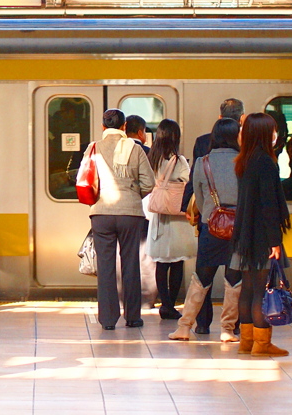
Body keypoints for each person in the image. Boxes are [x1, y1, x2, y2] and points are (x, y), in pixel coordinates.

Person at [170, 118, 242, 342]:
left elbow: (198, 200)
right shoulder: (244, 162)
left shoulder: (203, 162)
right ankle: (228, 330)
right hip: (239, 228)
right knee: (234, 280)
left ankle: (184, 327)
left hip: (211, 227)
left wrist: (211, 215)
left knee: (201, 278)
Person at [85, 109, 155, 330]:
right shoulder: (135, 149)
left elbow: (85, 178)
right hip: (130, 215)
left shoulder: (93, 148)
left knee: (105, 267)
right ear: (125, 127)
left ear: (103, 127)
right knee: (130, 263)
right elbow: (149, 183)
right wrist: (133, 196)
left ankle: (107, 319)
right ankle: (133, 317)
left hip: (101, 214)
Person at [231, 112, 291, 357]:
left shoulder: (244, 160)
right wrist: (274, 241)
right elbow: (269, 205)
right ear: (265, 134)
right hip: (261, 236)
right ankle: (262, 344)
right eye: (273, 130)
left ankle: (246, 341)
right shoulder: (266, 162)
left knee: (247, 289)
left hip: (244, 233)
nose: (276, 135)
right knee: (261, 289)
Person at [145, 119, 196, 320]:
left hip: (159, 216)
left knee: (161, 262)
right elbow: (187, 183)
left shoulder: (152, 158)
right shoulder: (180, 160)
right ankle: (170, 306)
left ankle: (164, 304)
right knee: (177, 262)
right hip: (178, 217)